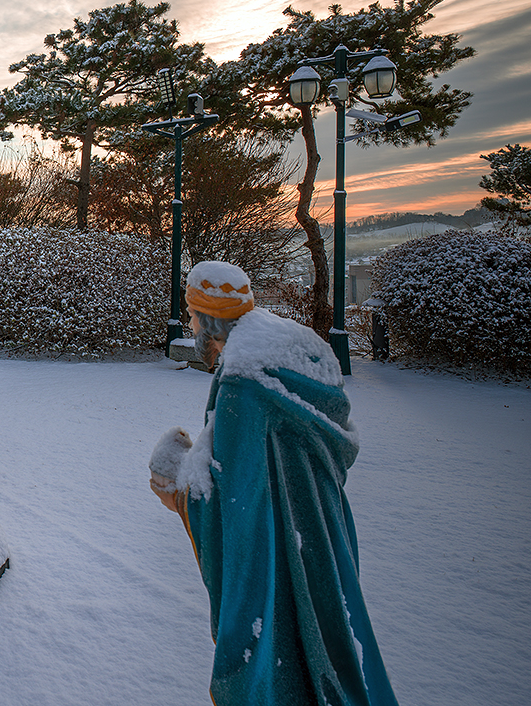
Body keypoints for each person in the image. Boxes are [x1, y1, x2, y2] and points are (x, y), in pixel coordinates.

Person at [149, 261, 399, 706]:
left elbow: (238, 507)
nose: (190, 326)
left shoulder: (242, 385)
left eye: (191, 316)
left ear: (207, 322)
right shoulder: (303, 349)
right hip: (324, 530)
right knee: (336, 639)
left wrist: (178, 492)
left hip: (280, 547)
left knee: (280, 655)